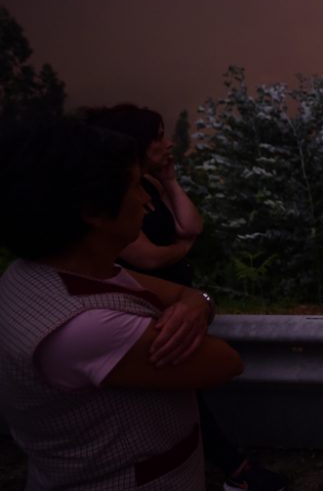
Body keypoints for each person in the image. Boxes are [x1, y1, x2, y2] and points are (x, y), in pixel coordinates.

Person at [0, 117, 243, 490]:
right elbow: (225, 361)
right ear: (94, 211)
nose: (146, 200)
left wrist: (197, 301)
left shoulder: (31, 275)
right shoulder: (85, 329)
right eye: (134, 186)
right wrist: (196, 303)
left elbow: (183, 296)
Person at [83, 104, 288, 491]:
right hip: (145, 304)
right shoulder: (115, 199)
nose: (168, 143)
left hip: (177, 299)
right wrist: (181, 250)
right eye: (158, 137)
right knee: (183, 389)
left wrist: (170, 180)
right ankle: (236, 469)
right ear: (137, 144)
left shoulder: (152, 187)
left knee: (185, 395)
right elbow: (145, 255)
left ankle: (230, 467)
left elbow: (192, 225)